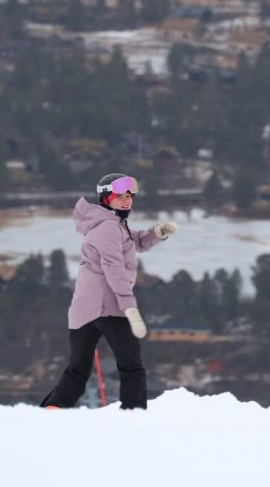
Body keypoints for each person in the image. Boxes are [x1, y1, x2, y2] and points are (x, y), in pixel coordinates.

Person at [41, 173, 178, 410]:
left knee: (77, 371)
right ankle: (133, 415)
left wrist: (156, 233)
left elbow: (133, 241)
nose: (127, 201)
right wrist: (129, 307)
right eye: (120, 196)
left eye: (130, 196)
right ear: (106, 198)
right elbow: (113, 268)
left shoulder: (107, 224)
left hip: (83, 313)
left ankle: (52, 411)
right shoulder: (109, 227)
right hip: (110, 308)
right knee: (131, 367)